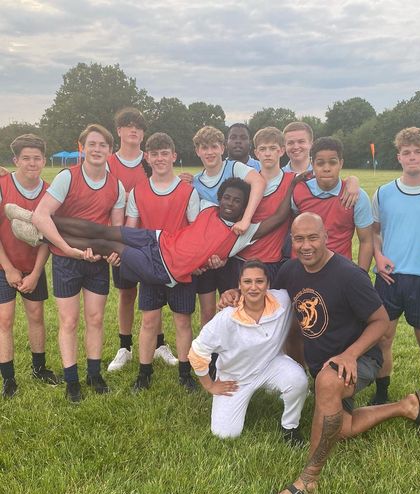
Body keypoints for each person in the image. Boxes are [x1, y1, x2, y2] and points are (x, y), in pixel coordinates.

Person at [220, 213, 420, 494]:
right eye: (299, 239)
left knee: (328, 383)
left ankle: (308, 480)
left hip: (360, 357)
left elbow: (381, 321)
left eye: (312, 237)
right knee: (342, 429)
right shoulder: (290, 270)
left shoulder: (349, 275)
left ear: (326, 237)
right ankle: (407, 406)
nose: (306, 245)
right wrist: (235, 294)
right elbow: (265, 296)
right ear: (292, 241)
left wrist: (350, 354)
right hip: (323, 364)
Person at [8, 176, 296, 296]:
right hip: (157, 239)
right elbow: (193, 184)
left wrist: (294, 181)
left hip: (164, 268)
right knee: (104, 230)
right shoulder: (209, 208)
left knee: (107, 244)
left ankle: (40, 237)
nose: (230, 204)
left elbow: (279, 217)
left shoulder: (241, 234)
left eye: (236, 202)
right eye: (227, 198)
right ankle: (37, 218)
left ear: (244, 207)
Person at [29, 124, 126, 402]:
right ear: (82, 147)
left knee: (95, 319)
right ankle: (72, 380)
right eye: (92, 144)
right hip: (65, 261)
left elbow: (116, 230)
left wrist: (115, 252)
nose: (97, 150)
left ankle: (94, 374)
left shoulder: (116, 185)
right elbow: (40, 216)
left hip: (96, 262)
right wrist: (66, 249)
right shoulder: (67, 178)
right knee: (69, 321)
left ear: (110, 150)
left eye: (103, 145)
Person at [371, 127, 420, 417]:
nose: (413, 156)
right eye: (407, 152)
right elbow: (375, 232)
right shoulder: (384, 192)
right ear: (399, 157)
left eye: (419, 151)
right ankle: (381, 396)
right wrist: (378, 256)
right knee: (383, 338)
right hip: (390, 277)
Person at [188, 260, 308, 444]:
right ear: (239, 285)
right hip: (235, 378)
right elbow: (197, 351)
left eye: (259, 282)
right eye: (247, 282)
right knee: (225, 434)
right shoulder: (226, 318)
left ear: (268, 284)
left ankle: (290, 428)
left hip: (270, 365)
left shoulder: (282, 300)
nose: (253, 287)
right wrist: (209, 385)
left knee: (298, 379)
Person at [125, 132, 200, 392]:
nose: (159, 158)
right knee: (149, 320)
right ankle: (144, 374)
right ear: (146, 157)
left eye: (164, 153)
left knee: (182, 321)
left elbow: (196, 232)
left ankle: (184, 372)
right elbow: (131, 232)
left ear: (174, 156)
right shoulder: (138, 192)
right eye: (154, 154)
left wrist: (192, 260)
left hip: (180, 267)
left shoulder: (188, 192)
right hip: (150, 267)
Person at [107, 108, 177, 371]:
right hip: (119, 237)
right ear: (119, 131)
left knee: (153, 294)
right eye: (127, 125)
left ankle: (159, 345)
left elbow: (165, 182)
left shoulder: (149, 161)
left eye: (138, 126)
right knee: (126, 294)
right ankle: (124, 346)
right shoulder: (108, 163)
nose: (133, 129)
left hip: (148, 239)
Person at [0, 134, 61, 397]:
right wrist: (9, 269)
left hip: (32, 265)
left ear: (44, 160)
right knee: (5, 320)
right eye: (26, 158)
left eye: (37, 158)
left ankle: (39, 368)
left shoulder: (49, 191)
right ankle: (8, 379)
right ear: (16, 160)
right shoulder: (3, 186)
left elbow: (48, 238)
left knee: (36, 316)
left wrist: (36, 273)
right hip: (4, 265)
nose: (32, 163)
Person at [191, 126, 266, 328]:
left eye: (214, 146)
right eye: (204, 147)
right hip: (207, 256)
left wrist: (246, 219)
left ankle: (233, 354)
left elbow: (259, 183)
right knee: (207, 311)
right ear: (197, 151)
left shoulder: (233, 167)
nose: (209, 152)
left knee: (233, 306)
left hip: (233, 253)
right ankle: (207, 356)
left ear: (222, 148)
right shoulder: (196, 182)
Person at [291, 136, 373, 271]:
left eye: (333, 163)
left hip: (339, 271)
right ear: (312, 163)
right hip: (302, 269)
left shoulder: (357, 196)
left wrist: (361, 276)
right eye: (320, 163)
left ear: (341, 163)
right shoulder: (299, 191)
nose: (327, 168)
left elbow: (366, 241)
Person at [232, 126, 295, 284]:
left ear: (281, 151)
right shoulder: (246, 183)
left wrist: (352, 182)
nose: (267, 153)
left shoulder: (293, 180)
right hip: (243, 258)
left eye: (273, 148)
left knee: (272, 307)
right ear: (256, 153)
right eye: (263, 149)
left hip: (273, 261)